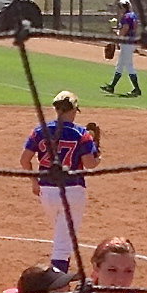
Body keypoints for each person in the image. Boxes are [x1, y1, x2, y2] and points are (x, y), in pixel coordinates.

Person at [20, 91, 100, 273]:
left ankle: (62, 270)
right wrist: (98, 154)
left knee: (63, 234)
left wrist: (34, 183)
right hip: (73, 192)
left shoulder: (40, 130)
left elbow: (24, 160)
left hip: (46, 192)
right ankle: (57, 282)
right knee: (63, 244)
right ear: (73, 110)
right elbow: (90, 164)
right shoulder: (81, 133)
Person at [101, 0, 142, 98]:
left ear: (124, 7)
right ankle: (112, 86)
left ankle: (137, 89)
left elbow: (125, 29)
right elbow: (134, 29)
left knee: (129, 66)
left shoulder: (126, 17)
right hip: (131, 42)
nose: (119, 9)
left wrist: (117, 36)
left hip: (126, 43)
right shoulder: (133, 16)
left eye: (120, 7)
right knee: (120, 65)